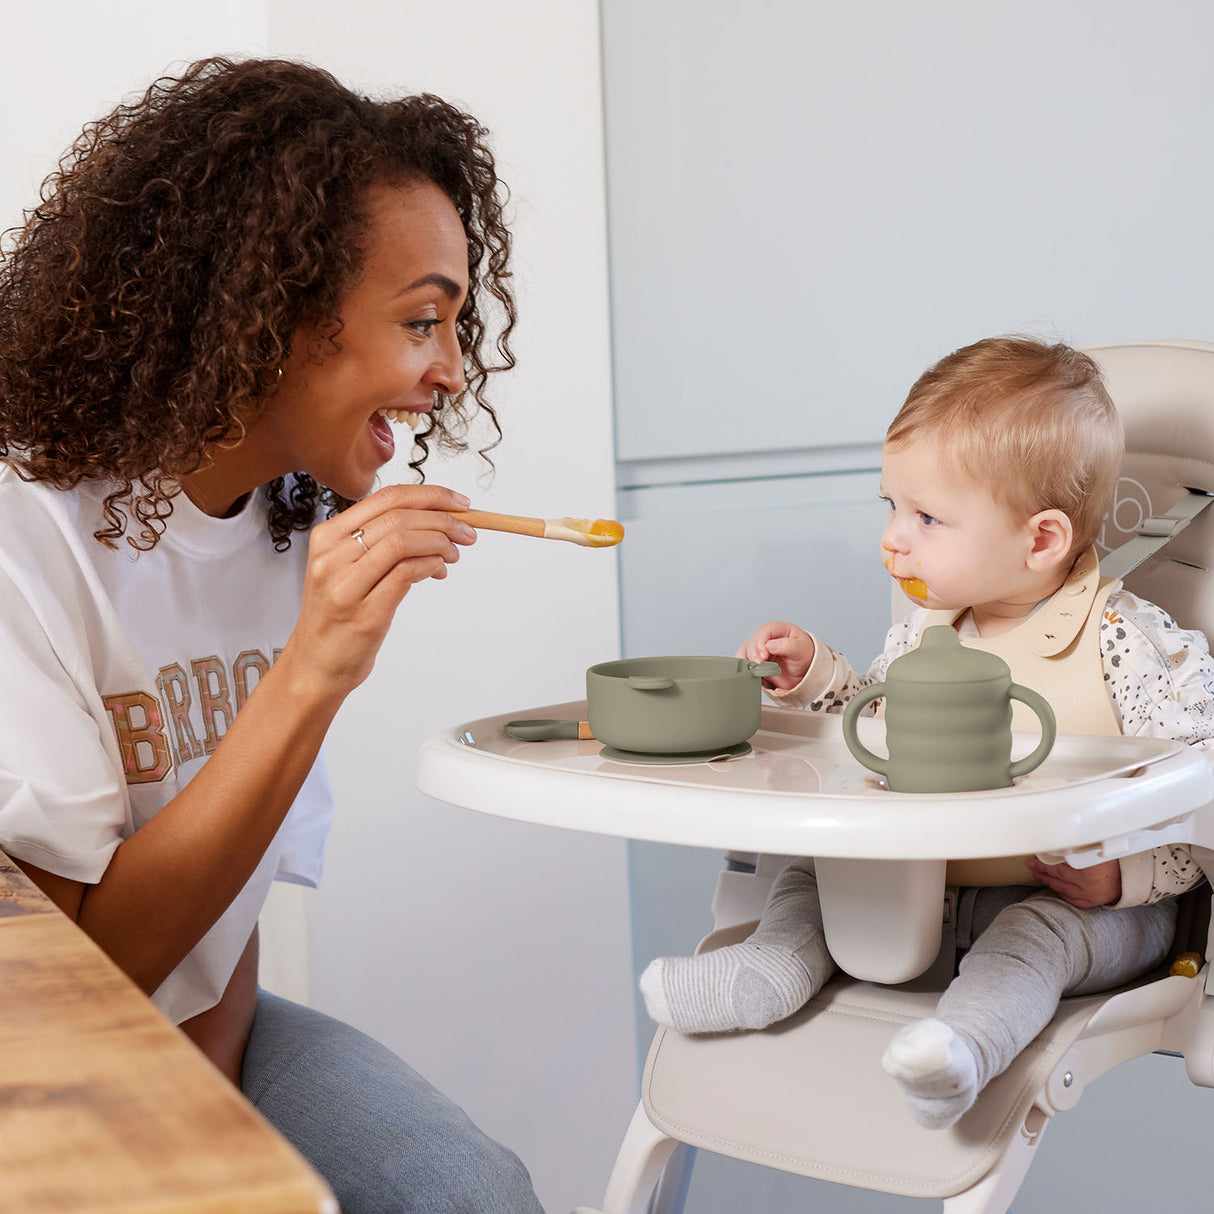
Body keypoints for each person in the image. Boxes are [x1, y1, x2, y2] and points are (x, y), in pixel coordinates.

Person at [0, 57, 545, 1212]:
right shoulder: (23, 533)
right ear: (273, 315)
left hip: (192, 1024)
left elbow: (226, 910)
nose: (449, 372)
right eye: (419, 321)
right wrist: (312, 669)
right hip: (37, 1055)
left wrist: (217, 1109)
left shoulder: (283, 516)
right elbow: (72, 985)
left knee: (469, 1191)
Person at [639, 337, 1214, 1130]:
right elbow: (873, 731)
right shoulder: (926, 630)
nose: (893, 539)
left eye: (928, 517)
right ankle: (770, 969)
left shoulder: (1131, 644)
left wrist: (1130, 876)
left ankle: (961, 1049)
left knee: (1034, 935)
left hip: (1086, 907)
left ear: (1040, 540)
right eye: (891, 506)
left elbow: (1201, 789)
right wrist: (814, 678)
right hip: (927, 891)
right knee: (813, 872)